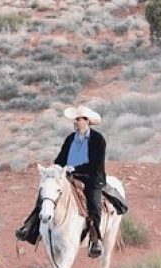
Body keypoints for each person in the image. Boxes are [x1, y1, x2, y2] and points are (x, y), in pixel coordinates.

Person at [15, 105, 107, 258]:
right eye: (75, 119)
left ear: (87, 121)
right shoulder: (70, 138)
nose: (76, 122)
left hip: (92, 179)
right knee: (47, 192)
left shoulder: (98, 140)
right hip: (69, 175)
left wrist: (75, 169)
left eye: (79, 119)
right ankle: (29, 226)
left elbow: (96, 164)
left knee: (94, 204)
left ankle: (95, 240)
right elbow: (61, 158)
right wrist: (55, 168)